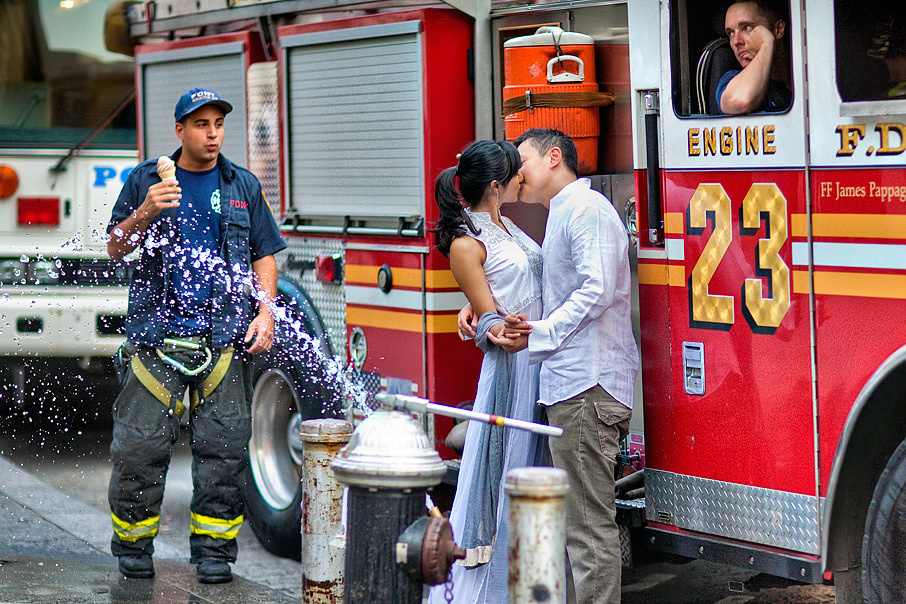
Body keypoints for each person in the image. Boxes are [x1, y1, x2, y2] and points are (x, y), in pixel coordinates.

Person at [105, 88, 286, 584]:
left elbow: (263, 254)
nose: (212, 134)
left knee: (224, 452)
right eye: (201, 124)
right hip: (153, 342)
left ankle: (214, 554)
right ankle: (133, 549)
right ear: (180, 131)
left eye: (218, 124)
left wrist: (265, 314)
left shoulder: (241, 185)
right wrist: (145, 211)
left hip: (222, 342)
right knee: (139, 450)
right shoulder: (146, 179)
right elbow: (114, 249)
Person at [463, 129, 638, 604]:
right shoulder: (562, 212)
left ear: (554, 157)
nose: (516, 171)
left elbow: (595, 290)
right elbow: (549, 291)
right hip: (570, 385)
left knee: (586, 530)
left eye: (523, 160)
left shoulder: (585, 209)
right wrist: (487, 311)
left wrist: (538, 334)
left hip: (587, 385)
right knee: (576, 527)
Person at [427, 140, 547, 604]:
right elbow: (490, 316)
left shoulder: (506, 224)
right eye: (516, 173)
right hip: (513, 370)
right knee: (507, 469)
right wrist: (491, 324)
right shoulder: (465, 242)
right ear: (497, 186)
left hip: (541, 355)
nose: (524, 178)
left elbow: (504, 285)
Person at [718, 0, 792, 114]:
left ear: (778, 29)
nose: (736, 41)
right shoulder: (730, 80)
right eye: (731, 33)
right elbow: (740, 101)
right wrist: (766, 43)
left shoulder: (806, 77)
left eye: (747, 28)